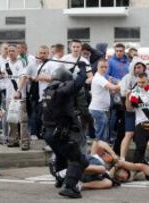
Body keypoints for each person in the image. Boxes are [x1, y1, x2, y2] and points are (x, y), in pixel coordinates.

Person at [42, 63, 89, 198]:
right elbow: (78, 83)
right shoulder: (61, 90)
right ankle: (69, 187)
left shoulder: (47, 91)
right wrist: (83, 69)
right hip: (61, 133)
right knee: (79, 160)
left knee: (61, 156)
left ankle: (60, 179)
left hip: (49, 133)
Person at [126, 72, 149, 163]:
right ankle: (136, 170)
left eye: (143, 82)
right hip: (140, 124)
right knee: (140, 148)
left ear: (147, 81)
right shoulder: (135, 92)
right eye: (139, 82)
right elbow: (129, 108)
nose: (141, 84)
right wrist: (127, 96)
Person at [89, 59, 120, 143]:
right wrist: (122, 83)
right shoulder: (99, 78)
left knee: (103, 136)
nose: (104, 69)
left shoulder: (102, 77)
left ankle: (100, 155)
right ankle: (97, 155)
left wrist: (115, 87)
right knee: (101, 136)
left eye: (105, 67)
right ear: (97, 67)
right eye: (101, 67)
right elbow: (114, 88)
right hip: (98, 110)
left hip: (101, 109)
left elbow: (111, 91)